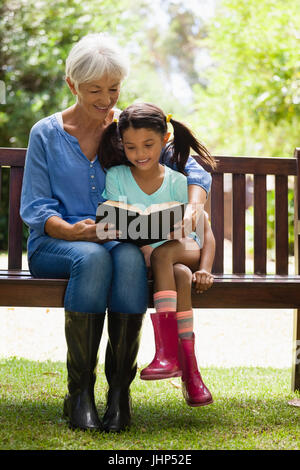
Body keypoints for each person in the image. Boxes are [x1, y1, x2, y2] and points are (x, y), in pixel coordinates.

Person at [20, 34, 213, 432]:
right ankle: (80, 394)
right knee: (92, 258)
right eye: (95, 90)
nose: (107, 100)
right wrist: (71, 231)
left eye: (113, 88)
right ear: (72, 85)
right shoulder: (46, 133)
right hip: (56, 243)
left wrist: (194, 205)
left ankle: (119, 395)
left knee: (125, 258)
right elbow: (36, 208)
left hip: (117, 242)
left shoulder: (127, 128)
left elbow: (190, 167)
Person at [99, 102, 216, 407]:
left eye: (148, 145)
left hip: (185, 250)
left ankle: (165, 354)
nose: (140, 153)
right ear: (121, 145)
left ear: (165, 138)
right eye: (131, 147)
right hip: (169, 263)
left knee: (166, 257)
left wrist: (206, 266)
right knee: (179, 274)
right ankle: (191, 373)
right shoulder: (117, 176)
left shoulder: (179, 181)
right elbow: (114, 219)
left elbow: (203, 230)